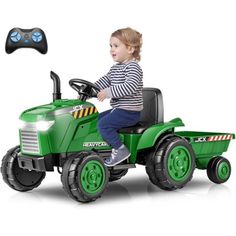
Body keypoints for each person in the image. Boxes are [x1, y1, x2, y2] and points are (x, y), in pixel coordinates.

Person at [95, 27, 143, 167]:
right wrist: (90, 89)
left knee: (104, 124)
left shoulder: (133, 67)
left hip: (129, 112)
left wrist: (108, 92)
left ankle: (120, 150)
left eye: (116, 46)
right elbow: (104, 81)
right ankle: (102, 149)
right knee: (93, 120)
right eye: (110, 46)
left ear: (130, 49)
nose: (111, 49)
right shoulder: (115, 68)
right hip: (119, 110)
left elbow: (130, 86)